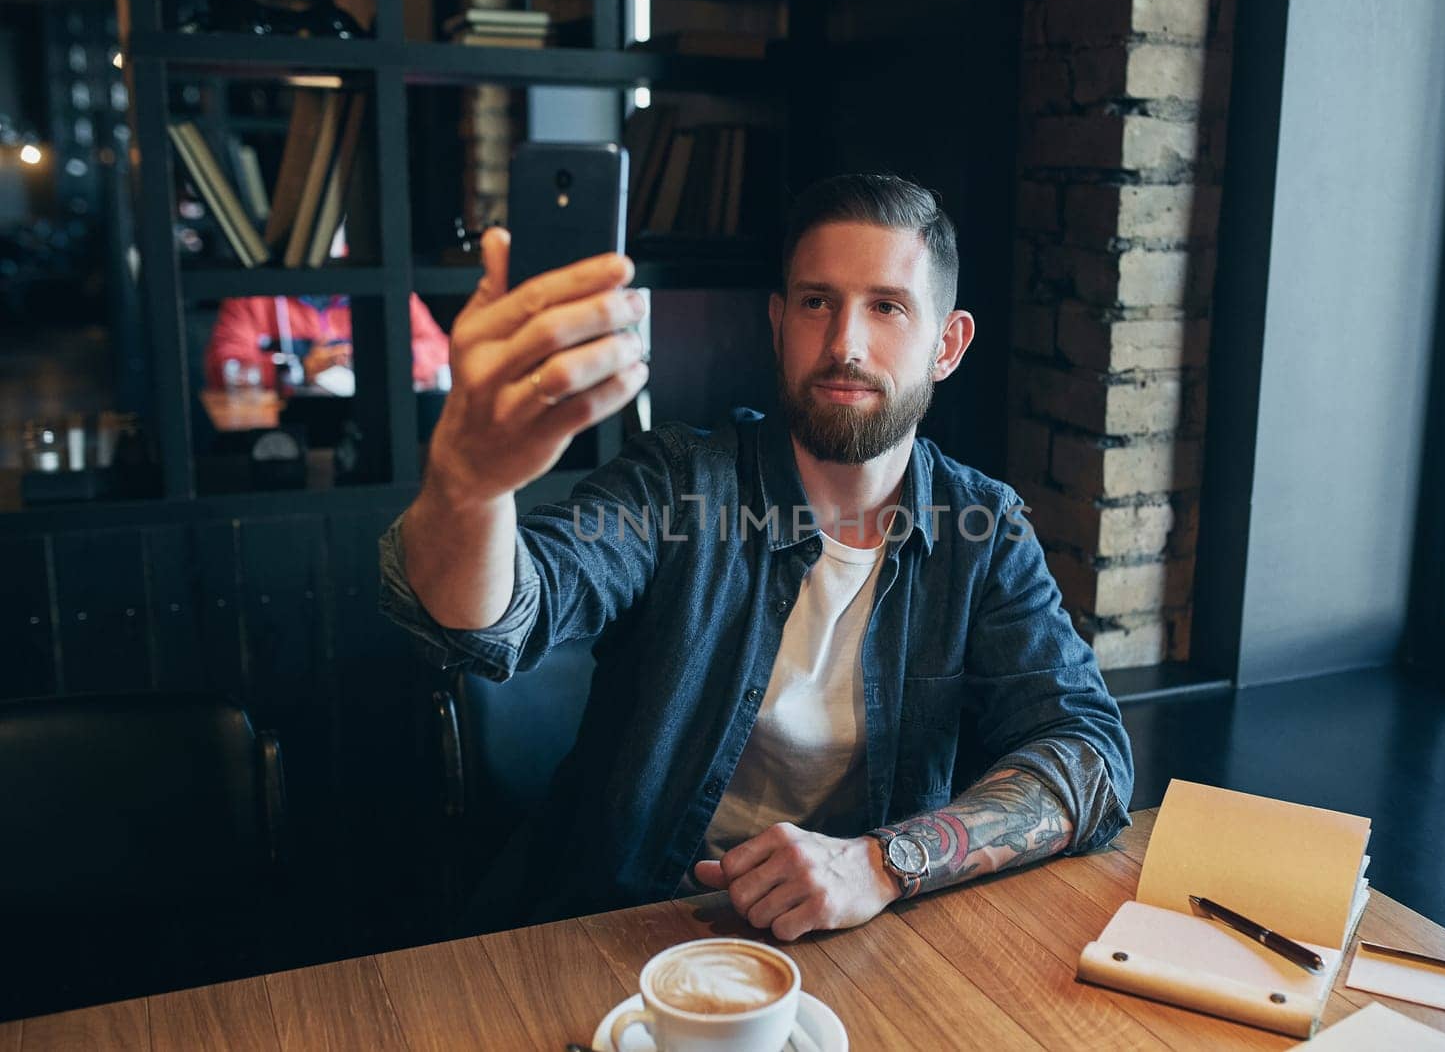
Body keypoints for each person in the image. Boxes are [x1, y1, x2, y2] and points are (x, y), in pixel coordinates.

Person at [378, 174, 1133, 939]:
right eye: (816, 302)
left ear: (948, 344)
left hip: (860, 939)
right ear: (778, 322)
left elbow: (1091, 755)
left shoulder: (983, 529)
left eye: (887, 306)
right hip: (631, 931)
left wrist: (882, 862)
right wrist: (469, 486)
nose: (844, 343)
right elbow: (496, 616)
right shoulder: (678, 484)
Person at [204, 293, 451, 392]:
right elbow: (222, 367)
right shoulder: (254, 293)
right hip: (285, 434)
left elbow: (441, 350)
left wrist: (377, 357)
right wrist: (299, 369)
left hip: (373, 423)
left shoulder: (379, 282)